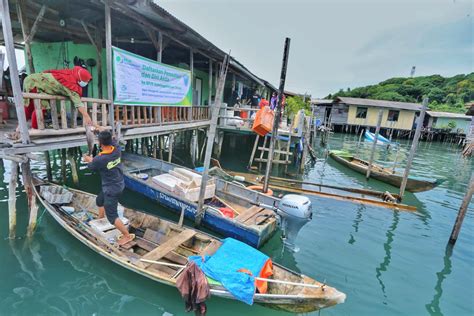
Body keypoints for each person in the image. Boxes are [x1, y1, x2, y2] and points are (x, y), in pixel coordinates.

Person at [82, 128, 134, 246]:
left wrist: (87, 159)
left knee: (112, 217)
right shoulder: (116, 149)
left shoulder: (100, 159)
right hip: (119, 184)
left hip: (111, 190)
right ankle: (100, 218)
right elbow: (112, 137)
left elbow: (92, 165)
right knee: (99, 201)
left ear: (100, 143)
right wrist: (97, 129)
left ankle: (127, 235)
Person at [23, 66, 93, 129]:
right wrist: (86, 116)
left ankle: (20, 128)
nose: (86, 83)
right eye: (85, 81)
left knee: (30, 106)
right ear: (80, 79)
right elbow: (78, 103)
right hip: (36, 83)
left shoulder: (71, 73)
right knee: (40, 107)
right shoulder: (71, 85)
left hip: (31, 79)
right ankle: (35, 129)